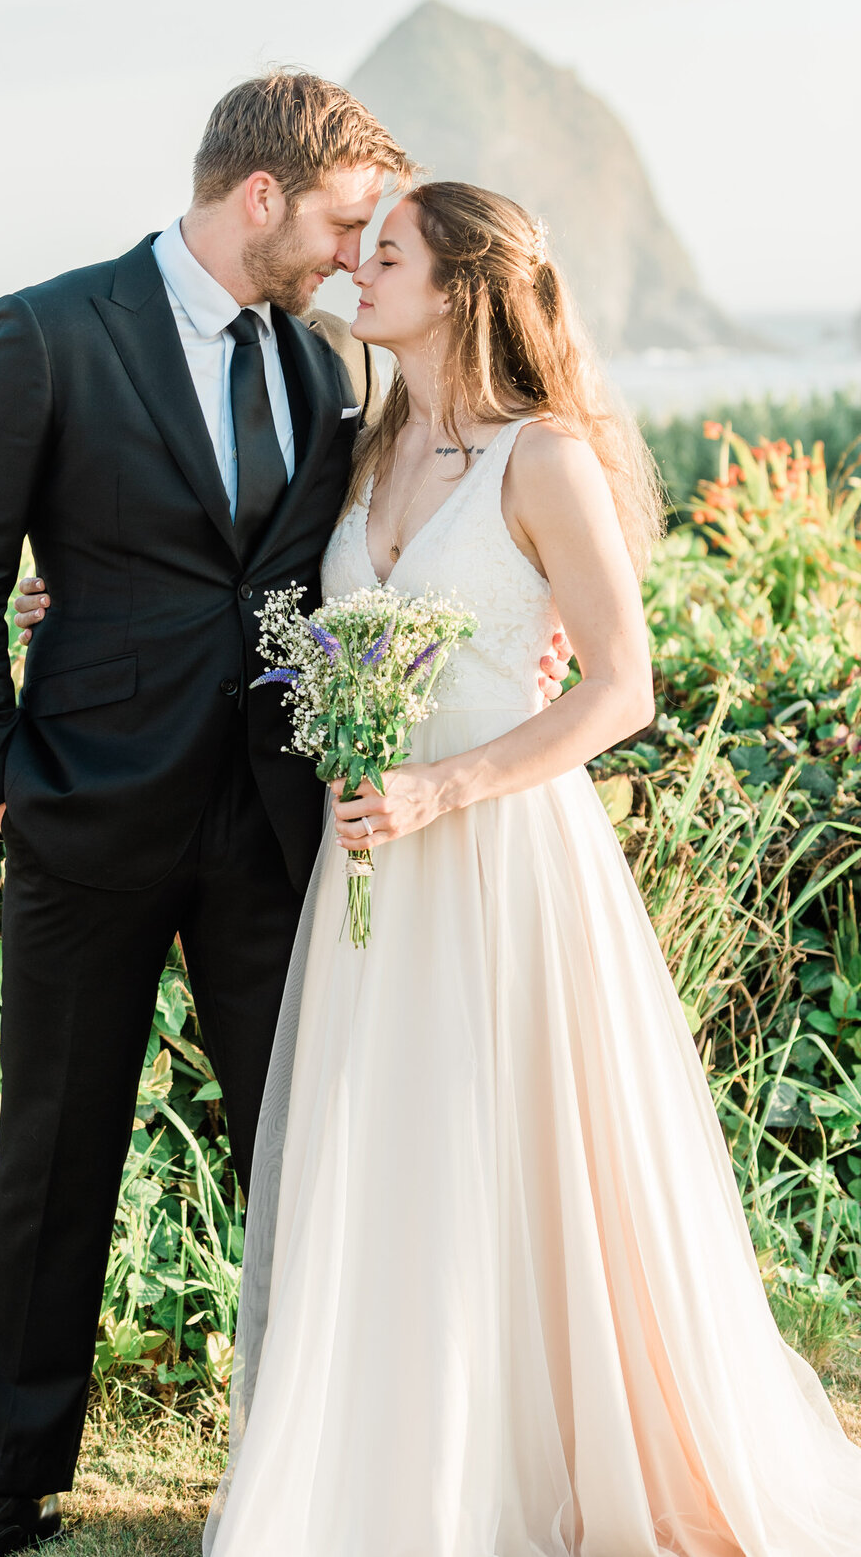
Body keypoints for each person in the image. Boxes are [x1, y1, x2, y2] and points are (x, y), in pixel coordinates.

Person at [0, 69, 575, 1557]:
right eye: (346, 220)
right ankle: (11, 1478)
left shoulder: (332, 371)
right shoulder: (49, 332)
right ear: (261, 196)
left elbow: (354, 563)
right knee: (57, 1145)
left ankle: (316, 1449)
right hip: (80, 812)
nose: (357, 252)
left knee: (314, 1144)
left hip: (283, 830)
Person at [189, 183, 861, 1555]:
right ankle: (407, 1461)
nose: (356, 272)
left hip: (504, 851)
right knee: (395, 1155)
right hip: (376, 869)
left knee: (529, 1153)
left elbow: (621, 688)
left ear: (459, 289)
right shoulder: (365, 450)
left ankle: (556, 1451)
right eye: (359, 252)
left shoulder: (542, 458)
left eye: (388, 256)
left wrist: (448, 780)